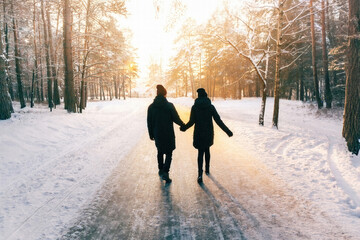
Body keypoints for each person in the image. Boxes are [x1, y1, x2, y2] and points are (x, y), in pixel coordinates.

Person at [180, 88, 233, 183]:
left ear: (198, 96)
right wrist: (228, 131)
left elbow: (191, 122)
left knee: (200, 153)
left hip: (199, 133)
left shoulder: (194, 107)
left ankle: (200, 174)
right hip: (208, 133)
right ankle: (207, 169)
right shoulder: (210, 107)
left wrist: (184, 128)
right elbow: (218, 121)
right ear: (206, 95)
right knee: (207, 150)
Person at [147, 84, 185, 183]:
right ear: (165, 94)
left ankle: (160, 169)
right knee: (169, 153)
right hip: (168, 133)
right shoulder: (169, 105)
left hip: (157, 133)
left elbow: (149, 122)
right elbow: (176, 118)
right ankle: (165, 172)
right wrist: (183, 125)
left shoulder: (151, 107)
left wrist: (151, 134)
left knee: (159, 151)